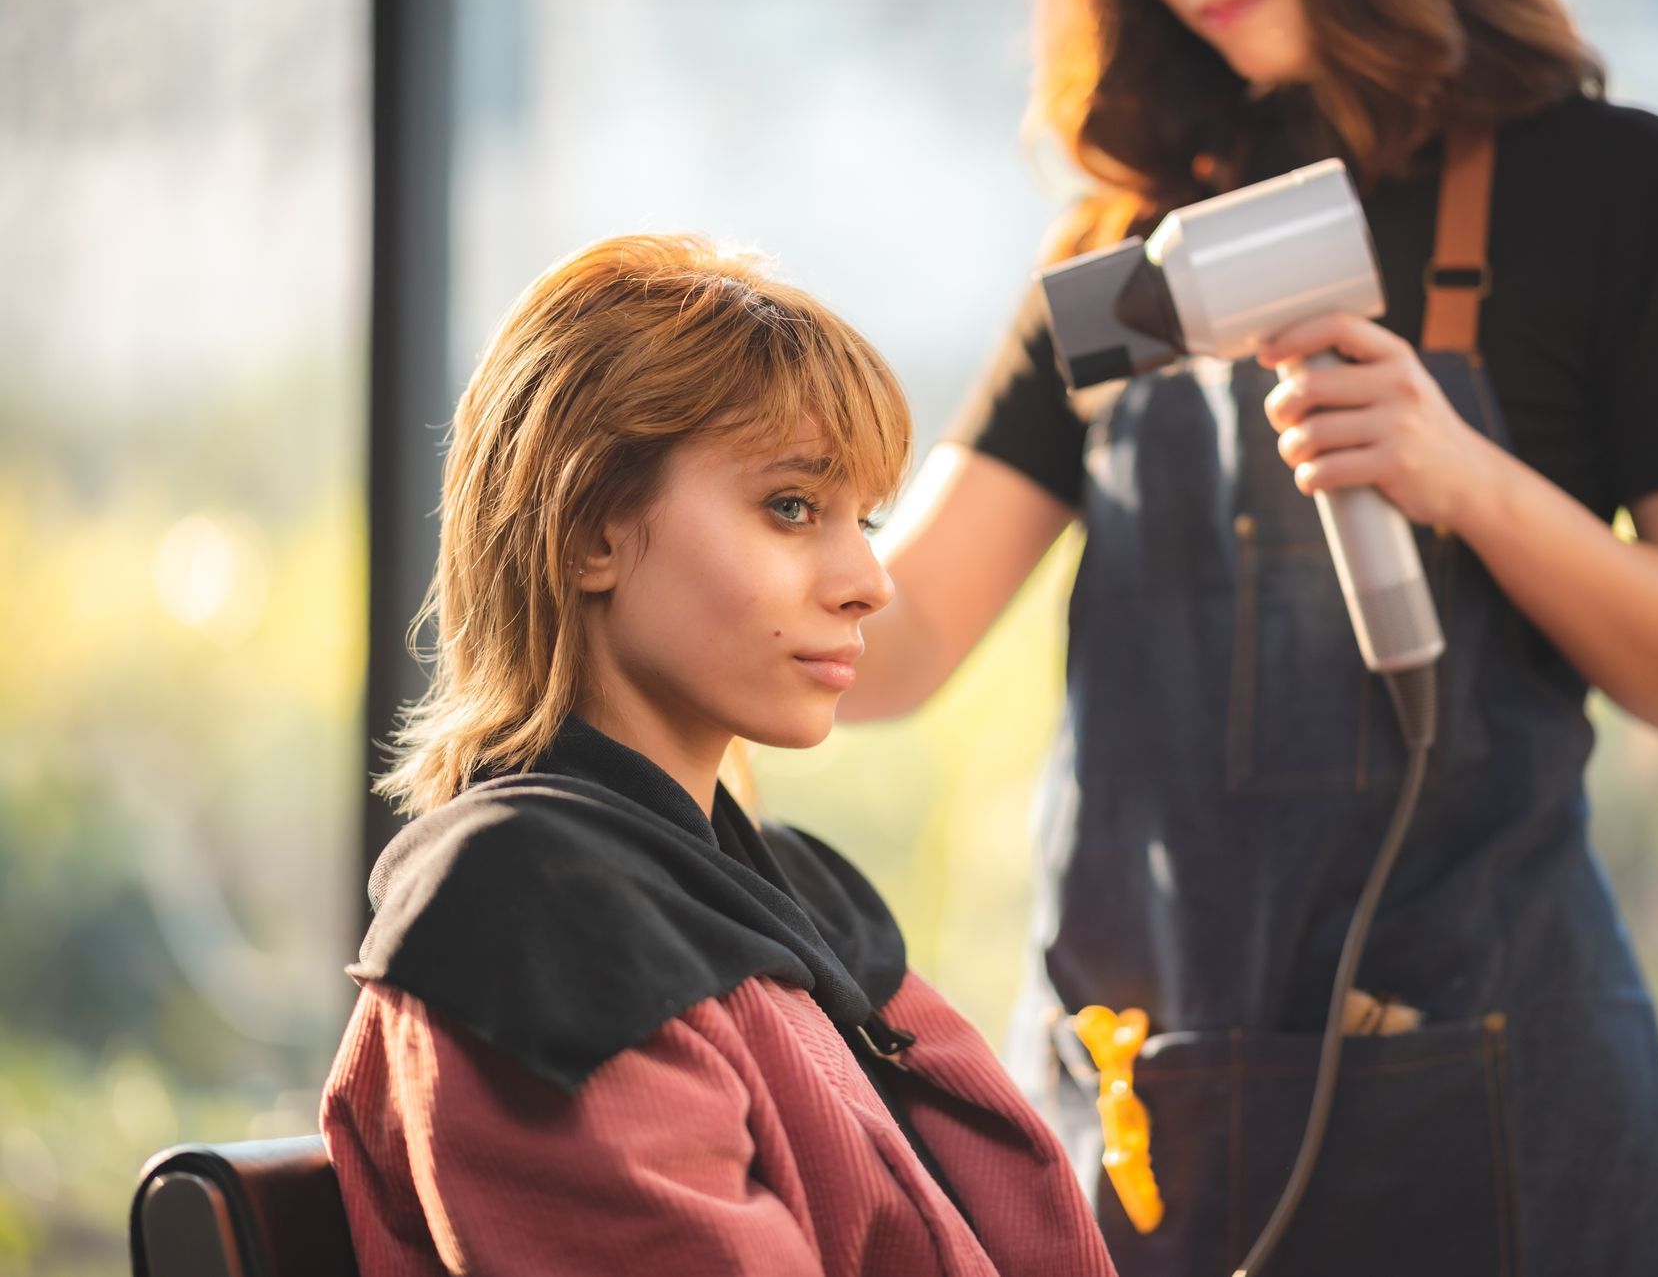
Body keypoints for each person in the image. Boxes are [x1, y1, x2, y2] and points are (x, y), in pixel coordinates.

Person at [841, 0, 1658, 1273]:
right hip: (1153, 1132)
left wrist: (1469, 482)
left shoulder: (1621, 194)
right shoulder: (1129, 259)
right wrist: (676, 558)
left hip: (1503, 1134)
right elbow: (899, 642)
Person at [320, 234, 1118, 1277]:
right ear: (588, 532)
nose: (870, 580)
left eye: (862, 519)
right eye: (792, 507)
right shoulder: (532, 915)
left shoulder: (788, 889)